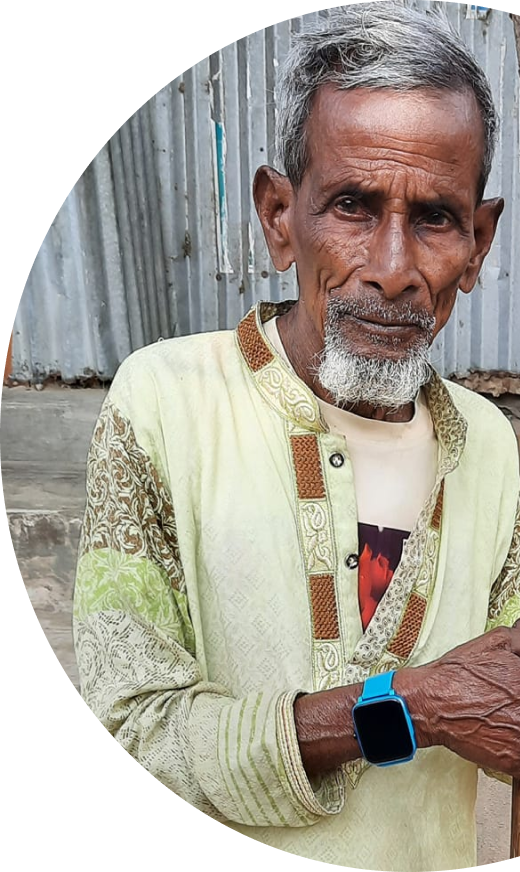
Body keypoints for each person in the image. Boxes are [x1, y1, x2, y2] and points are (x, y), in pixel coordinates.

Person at [73, 4, 519, 870]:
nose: (393, 269)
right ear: (279, 216)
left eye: (436, 217)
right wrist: (410, 707)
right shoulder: (163, 403)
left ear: (478, 241)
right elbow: (131, 726)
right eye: (353, 206)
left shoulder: (494, 449)